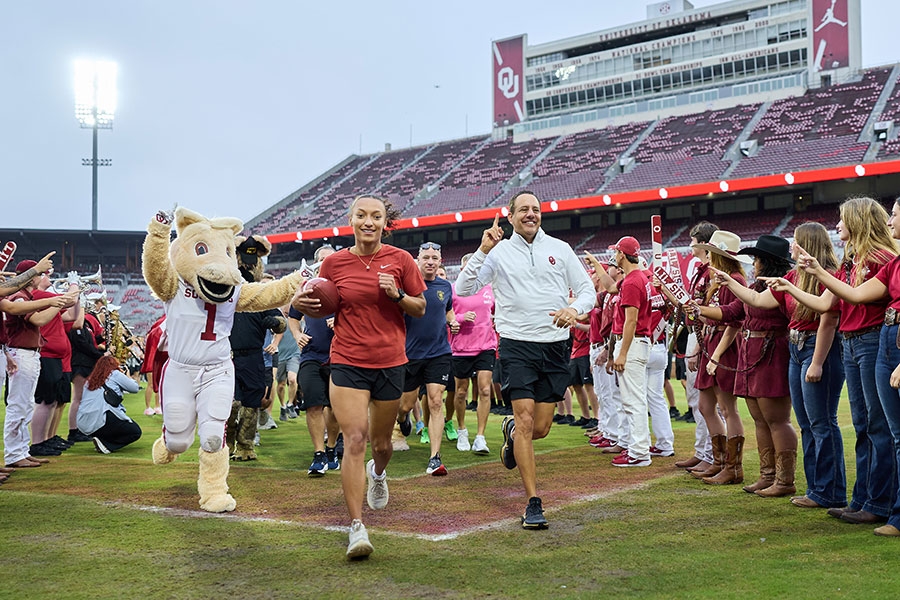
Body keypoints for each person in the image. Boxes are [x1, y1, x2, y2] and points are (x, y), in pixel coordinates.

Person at [292, 194, 426, 559]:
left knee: (381, 445)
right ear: (351, 220)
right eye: (361, 215)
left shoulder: (400, 260)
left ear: (385, 223)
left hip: (390, 362)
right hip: (348, 360)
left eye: (376, 216)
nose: (368, 221)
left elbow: (420, 306)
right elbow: (318, 305)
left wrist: (396, 295)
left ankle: (378, 474)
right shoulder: (333, 263)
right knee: (354, 439)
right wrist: (303, 306)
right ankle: (356, 527)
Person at [456, 191, 594, 529]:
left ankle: (511, 433)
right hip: (516, 345)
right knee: (527, 421)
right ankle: (533, 503)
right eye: (524, 210)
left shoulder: (560, 249)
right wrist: (483, 249)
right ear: (511, 215)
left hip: (555, 347)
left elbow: (588, 290)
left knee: (541, 428)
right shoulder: (498, 251)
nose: (531, 214)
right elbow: (462, 287)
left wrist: (573, 309)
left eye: (535, 209)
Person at [767, 197, 900, 535]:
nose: (837, 225)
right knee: (863, 424)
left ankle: (876, 502)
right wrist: (792, 287)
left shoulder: (881, 258)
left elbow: (852, 297)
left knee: (876, 426)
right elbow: (827, 302)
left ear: (857, 222)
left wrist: (817, 271)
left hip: (870, 340)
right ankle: (863, 499)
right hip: (855, 342)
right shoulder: (853, 260)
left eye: (842, 219)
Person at [719, 225, 844, 505]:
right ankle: (814, 488)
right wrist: (730, 282)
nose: (793, 248)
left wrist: (817, 361)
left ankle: (821, 489)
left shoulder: (823, 277)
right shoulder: (793, 276)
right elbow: (757, 299)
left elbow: (828, 318)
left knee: (818, 423)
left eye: (797, 243)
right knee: (810, 424)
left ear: (808, 246)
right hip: (797, 346)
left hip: (808, 346)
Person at [702, 235, 797, 494]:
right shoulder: (757, 286)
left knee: (776, 418)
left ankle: (785, 480)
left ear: (765, 262)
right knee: (759, 417)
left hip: (771, 350)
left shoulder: (779, 285)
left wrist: (730, 282)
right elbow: (736, 313)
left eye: (756, 259)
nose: (753, 264)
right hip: (754, 351)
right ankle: (768, 475)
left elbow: (751, 306)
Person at [683, 231, 751, 484]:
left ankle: (732, 466)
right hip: (712, 343)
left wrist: (715, 355)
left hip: (723, 346)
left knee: (727, 408)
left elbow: (734, 319)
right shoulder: (719, 280)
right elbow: (712, 316)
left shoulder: (734, 280)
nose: (708, 257)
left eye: (712, 252)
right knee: (706, 406)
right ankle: (720, 461)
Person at [0, 257, 78, 468]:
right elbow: (37, 320)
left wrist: (55, 301)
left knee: (24, 407)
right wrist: (55, 301)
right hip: (22, 353)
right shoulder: (19, 296)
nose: (43, 277)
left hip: (27, 353)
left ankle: (20, 451)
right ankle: (15, 454)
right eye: (40, 274)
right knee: (19, 406)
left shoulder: (24, 295)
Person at [395, 242, 458, 475]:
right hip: (410, 355)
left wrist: (452, 321)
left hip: (439, 353)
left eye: (435, 258)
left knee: (435, 401)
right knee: (405, 405)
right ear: (417, 259)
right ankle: (403, 420)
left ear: (440, 261)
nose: (431, 261)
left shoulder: (445, 286)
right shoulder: (406, 286)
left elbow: (447, 309)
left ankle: (435, 457)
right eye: (426, 257)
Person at [592, 237, 655, 467]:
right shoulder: (636, 277)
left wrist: (622, 353)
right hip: (638, 342)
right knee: (633, 400)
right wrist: (597, 265)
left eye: (616, 252)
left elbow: (631, 321)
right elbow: (610, 287)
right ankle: (637, 448)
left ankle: (639, 452)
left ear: (621, 254)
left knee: (633, 401)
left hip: (633, 342)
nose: (614, 255)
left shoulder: (631, 282)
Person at [288, 243, 340, 476]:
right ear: (317, 263)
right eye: (323, 260)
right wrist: (297, 334)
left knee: (336, 408)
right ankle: (319, 454)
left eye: (331, 259)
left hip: (339, 354)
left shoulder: (344, 288)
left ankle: (331, 449)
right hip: (311, 354)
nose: (327, 264)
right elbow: (293, 315)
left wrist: (341, 322)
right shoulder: (307, 288)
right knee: (313, 403)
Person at [450, 253, 496, 455]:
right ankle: (461, 430)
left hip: (486, 346)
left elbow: (498, 311)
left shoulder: (489, 289)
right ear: (462, 270)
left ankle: (480, 437)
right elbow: (446, 315)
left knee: (485, 390)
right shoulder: (453, 290)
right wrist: (459, 318)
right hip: (461, 347)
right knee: (461, 392)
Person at [76, 355, 142, 453]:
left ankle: (100, 438)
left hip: (83, 422)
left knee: (113, 423)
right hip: (101, 417)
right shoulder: (114, 374)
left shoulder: (90, 380)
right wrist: (127, 376)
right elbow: (134, 388)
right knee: (135, 431)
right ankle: (107, 445)